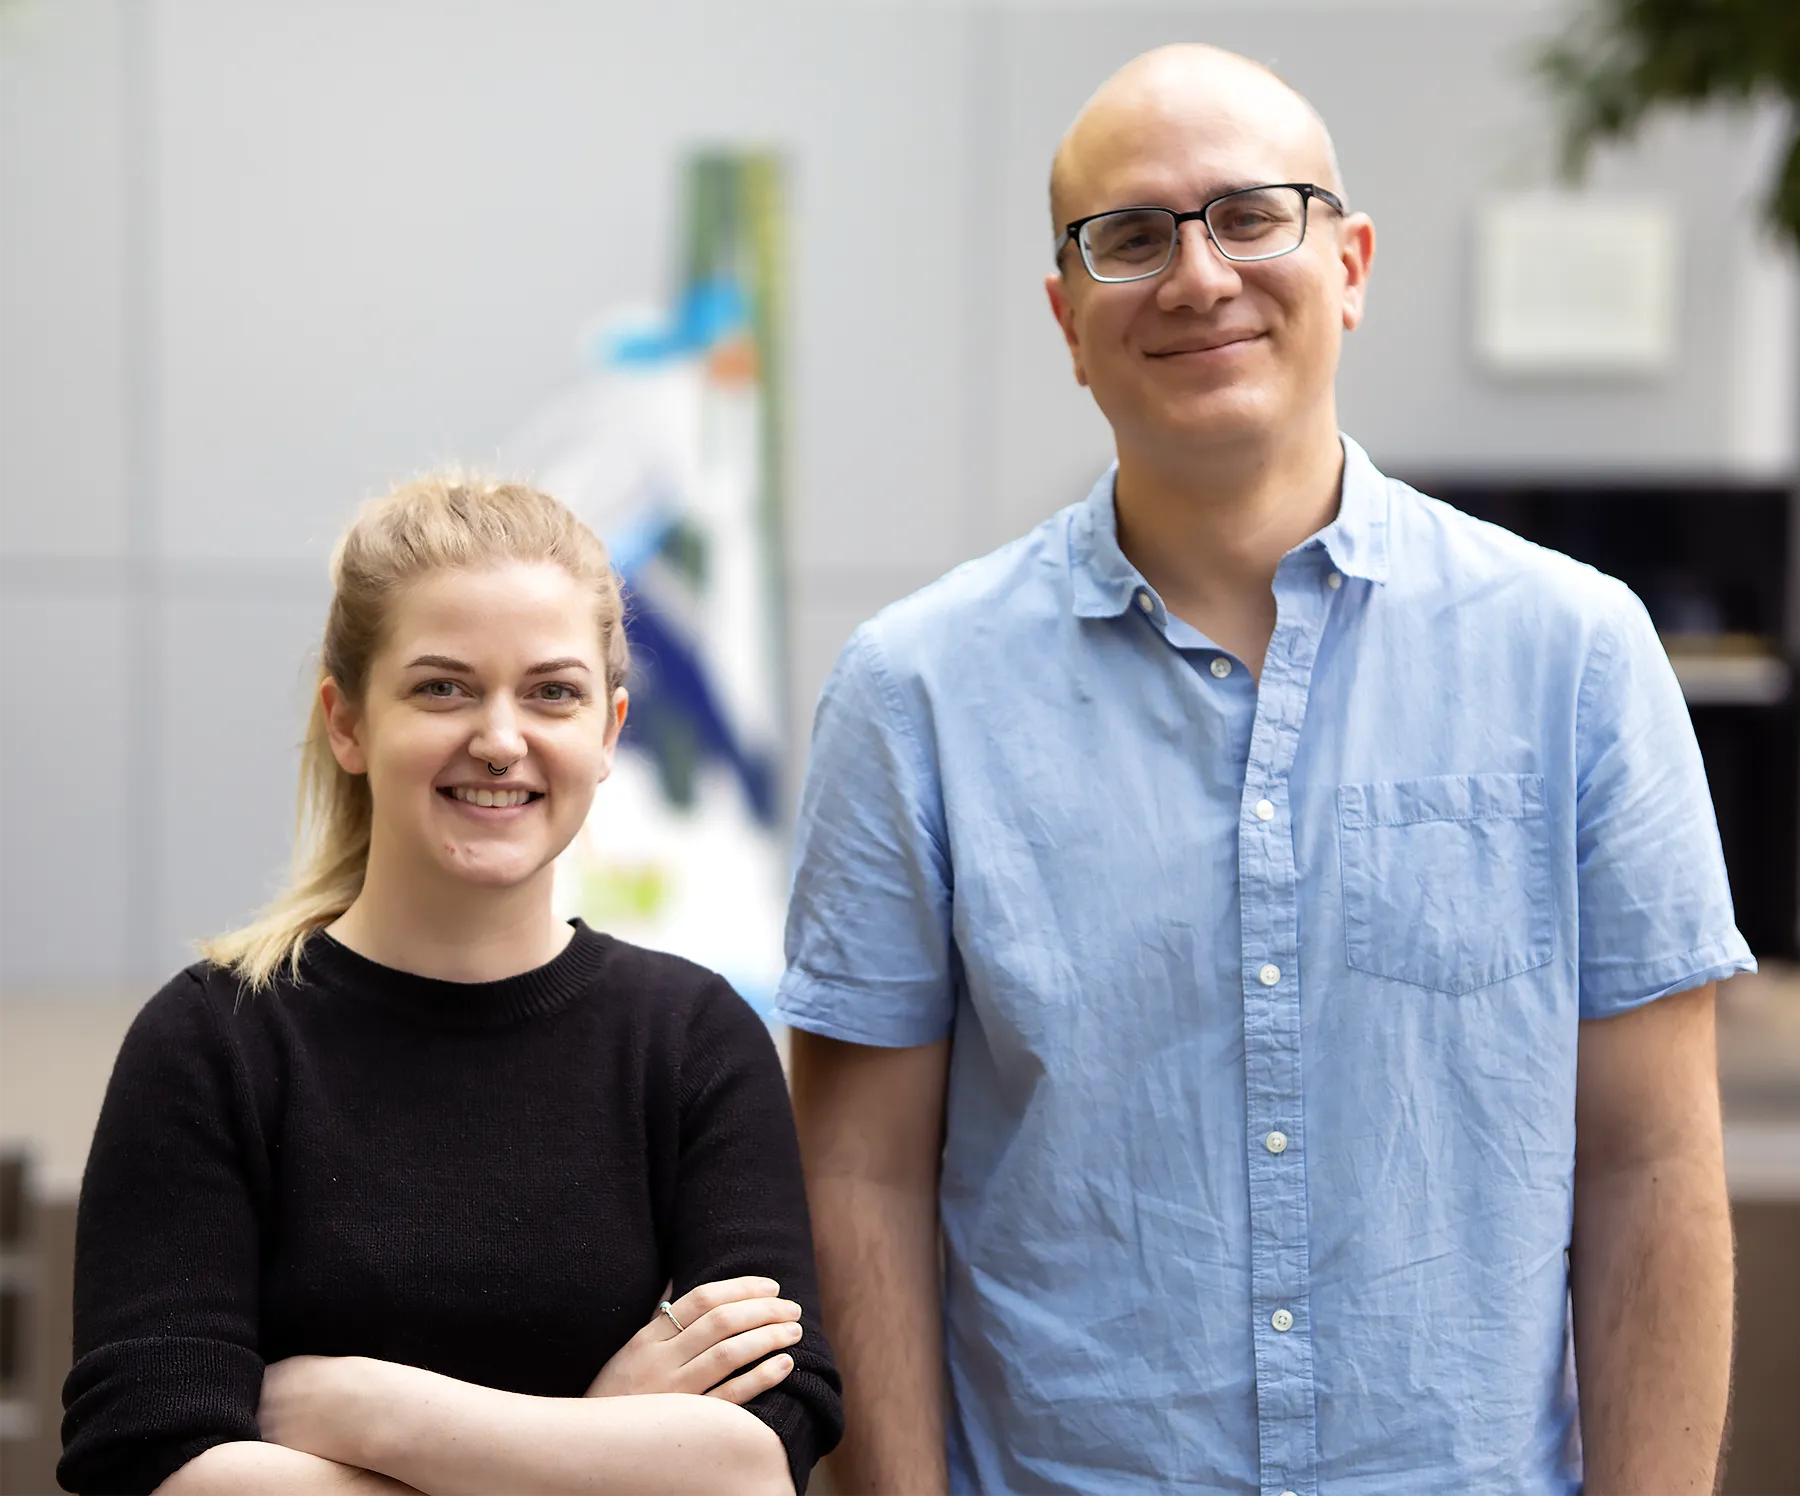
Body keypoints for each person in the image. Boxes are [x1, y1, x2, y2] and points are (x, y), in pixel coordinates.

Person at [779, 42, 1746, 1496]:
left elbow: (1651, 1170)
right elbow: (861, 1185)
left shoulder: (1578, 655)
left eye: (1251, 216)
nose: (1197, 274)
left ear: (1348, 265)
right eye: (1131, 235)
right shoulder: (913, 693)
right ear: (1067, 317)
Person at [58, 476, 841, 1496]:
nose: (502, 738)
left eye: (551, 691)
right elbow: (151, 1461)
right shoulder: (213, 1042)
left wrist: (360, 1407)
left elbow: (753, 1462)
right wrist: (601, 1444)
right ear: (346, 722)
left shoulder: (694, 1040)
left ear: (608, 732)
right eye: (443, 687)